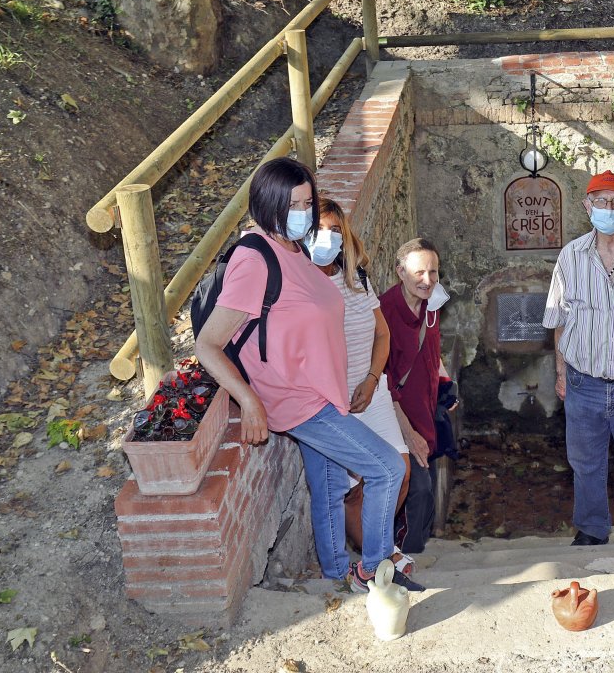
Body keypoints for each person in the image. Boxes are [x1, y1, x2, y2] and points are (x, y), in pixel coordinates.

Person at [194, 158, 423, 593]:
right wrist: (248, 400)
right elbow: (208, 344)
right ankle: (373, 567)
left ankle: (337, 575)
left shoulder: (293, 249)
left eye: (307, 201)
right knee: (388, 469)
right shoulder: (255, 258)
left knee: (330, 485)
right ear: (269, 204)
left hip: (324, 391)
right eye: (293, 203)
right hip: (297, 399)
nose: (303, 211)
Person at [542, 170, 614, 547]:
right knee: (585, 464)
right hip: (583, 381)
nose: (609, 208)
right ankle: (592, 529)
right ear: (587, 206)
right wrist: (560, 372)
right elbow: (558, 320)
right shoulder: (570, 256)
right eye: (601, 201)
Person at [307, 198, 414, 575]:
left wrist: (371, 380)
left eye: (336, 230)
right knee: (356, 488)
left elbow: (382, 334)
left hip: (371, 389)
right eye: (320, 229)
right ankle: (380, 558)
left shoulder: (355, 276)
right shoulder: (299, 281)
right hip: (335, 401)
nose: (328, 238)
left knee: (400, 471)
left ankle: (381, 549)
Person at [379, 237, 453, 555]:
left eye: (434, 272)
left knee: (426, 495)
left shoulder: (432, 304)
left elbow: (431, 351)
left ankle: (417, 553)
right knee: (417, 491)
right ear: (400, 272)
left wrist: (446, 386)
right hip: (397, 419)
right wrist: (407, 433)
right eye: (420, 272)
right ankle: (402, 559)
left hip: (426, 411)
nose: (428, 280)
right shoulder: (384, 312)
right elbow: (383, 380)